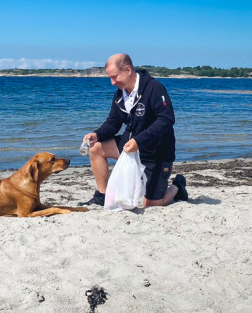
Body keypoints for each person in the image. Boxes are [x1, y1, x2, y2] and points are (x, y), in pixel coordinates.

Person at [79, 53, 188, 207]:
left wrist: (139, 140)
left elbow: (166, 120)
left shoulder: (154, 88)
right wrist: (97, 134)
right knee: (95, 148)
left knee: (150, 204)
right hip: (129, 146)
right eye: (110, 78)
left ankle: (177, 186)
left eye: (115, 77)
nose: (112, 82)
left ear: (128, 70)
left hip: (156, 153)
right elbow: (113, 122)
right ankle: (102, 196)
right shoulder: (119, 94)